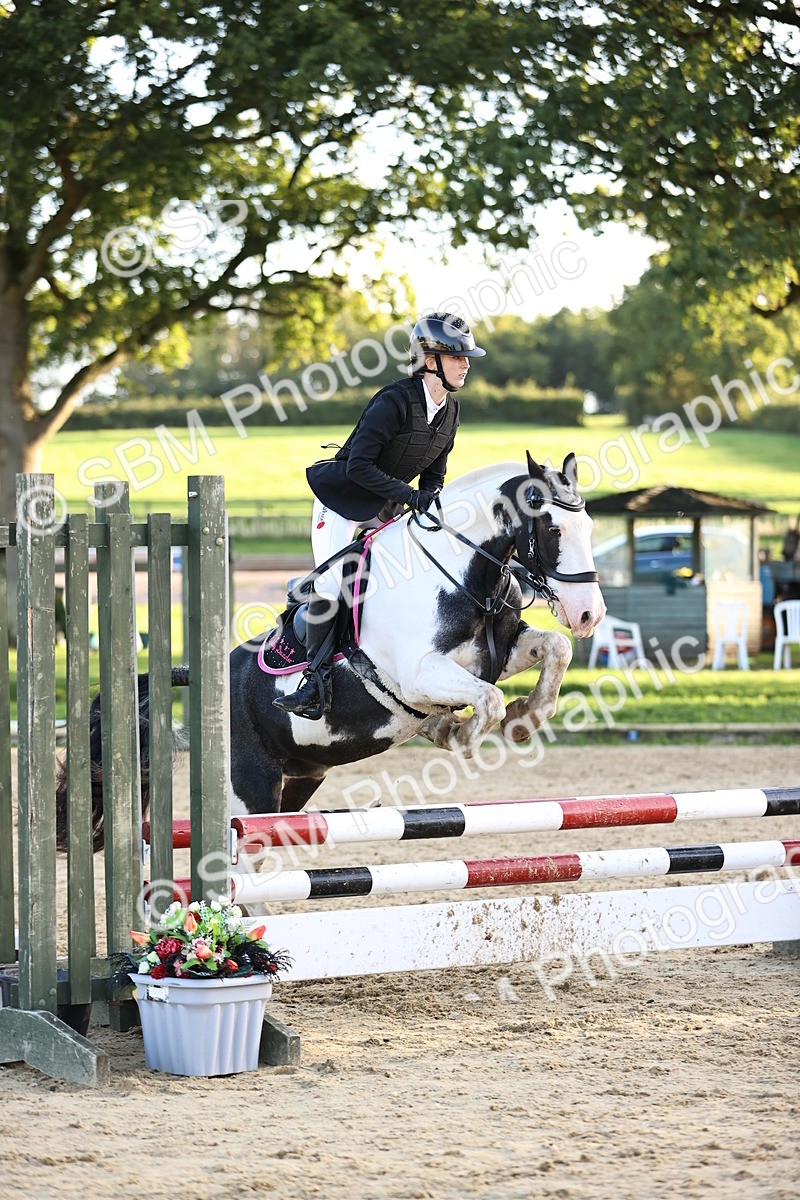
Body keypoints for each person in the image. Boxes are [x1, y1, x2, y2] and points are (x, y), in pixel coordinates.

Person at [272, 311, 487, 719]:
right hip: (341, 504)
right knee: (335, 588)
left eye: (466, 357)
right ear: (430, 361)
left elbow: (434, 476)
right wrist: (410, 495)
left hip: (385, 506)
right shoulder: (393, 401)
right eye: (458, 356)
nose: (466, 364)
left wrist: (430, 504)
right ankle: (313, 683)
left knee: (408, 577)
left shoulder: (451, 412)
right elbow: (357, 466)